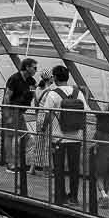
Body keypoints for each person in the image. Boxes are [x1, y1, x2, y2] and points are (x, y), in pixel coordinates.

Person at [38, 65, 90, 204]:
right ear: (67, 77)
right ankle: (74, 197)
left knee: (59, 169)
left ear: (54, 78)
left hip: (58, 138)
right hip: (76, 137)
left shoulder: (53, 94)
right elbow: (85, 112)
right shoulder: (77, 92)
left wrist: (43, 128)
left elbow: (47, 115)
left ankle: (60, 197)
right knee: (74, 169)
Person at [2, 58, 39, 171]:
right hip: (12, 110)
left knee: (25, 136)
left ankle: (19, 160)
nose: (36, 70)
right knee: (9, 135)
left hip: (21, 112)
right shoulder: (14, 78)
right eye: (34, 68)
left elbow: (36, 92)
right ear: (27, 67)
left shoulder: (31, 81)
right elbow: (7, 96)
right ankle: (10, 163)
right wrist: (7, 115)